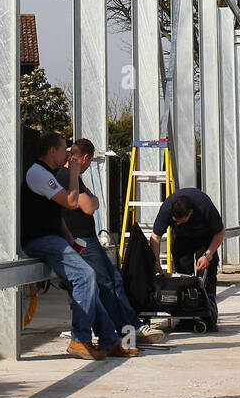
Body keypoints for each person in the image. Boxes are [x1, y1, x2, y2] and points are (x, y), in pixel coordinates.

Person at [21, 131, 138, 361]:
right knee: (86, 276)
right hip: (39, 241)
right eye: (64, 149)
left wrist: (71, 240)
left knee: (88, 286)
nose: (68, 154)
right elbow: (73, 202)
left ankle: (109, 340)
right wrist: (74, 173)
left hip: (54, 238)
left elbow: (57, 216)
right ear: (52, 150)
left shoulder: (50, 173)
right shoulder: (38, 173)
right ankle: (79, 338)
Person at [53, 139, 165, 346]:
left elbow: (93, 203)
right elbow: (89, 206)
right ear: (85, 158)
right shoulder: (65, 176)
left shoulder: (75, 178)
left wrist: (90, 199)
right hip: (81, 240)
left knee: (114, 281)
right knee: (105, 285)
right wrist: (90, 199)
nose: (87, 167)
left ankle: (130, 326)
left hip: (89, 238)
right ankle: (127, 328)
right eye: (90, 161)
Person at [150, 189, 226, 326]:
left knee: (206, 277)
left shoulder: (205, 207)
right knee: (183, 277)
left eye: (181, 221)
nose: (177, 223)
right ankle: (185, 317)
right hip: (182, 238)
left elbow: (220, 233)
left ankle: (208, 316)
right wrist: (156, 262)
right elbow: (155, 237)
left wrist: (208, 256)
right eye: (175, 221)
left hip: (205, 238)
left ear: (190, 213)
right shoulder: (167, 209)